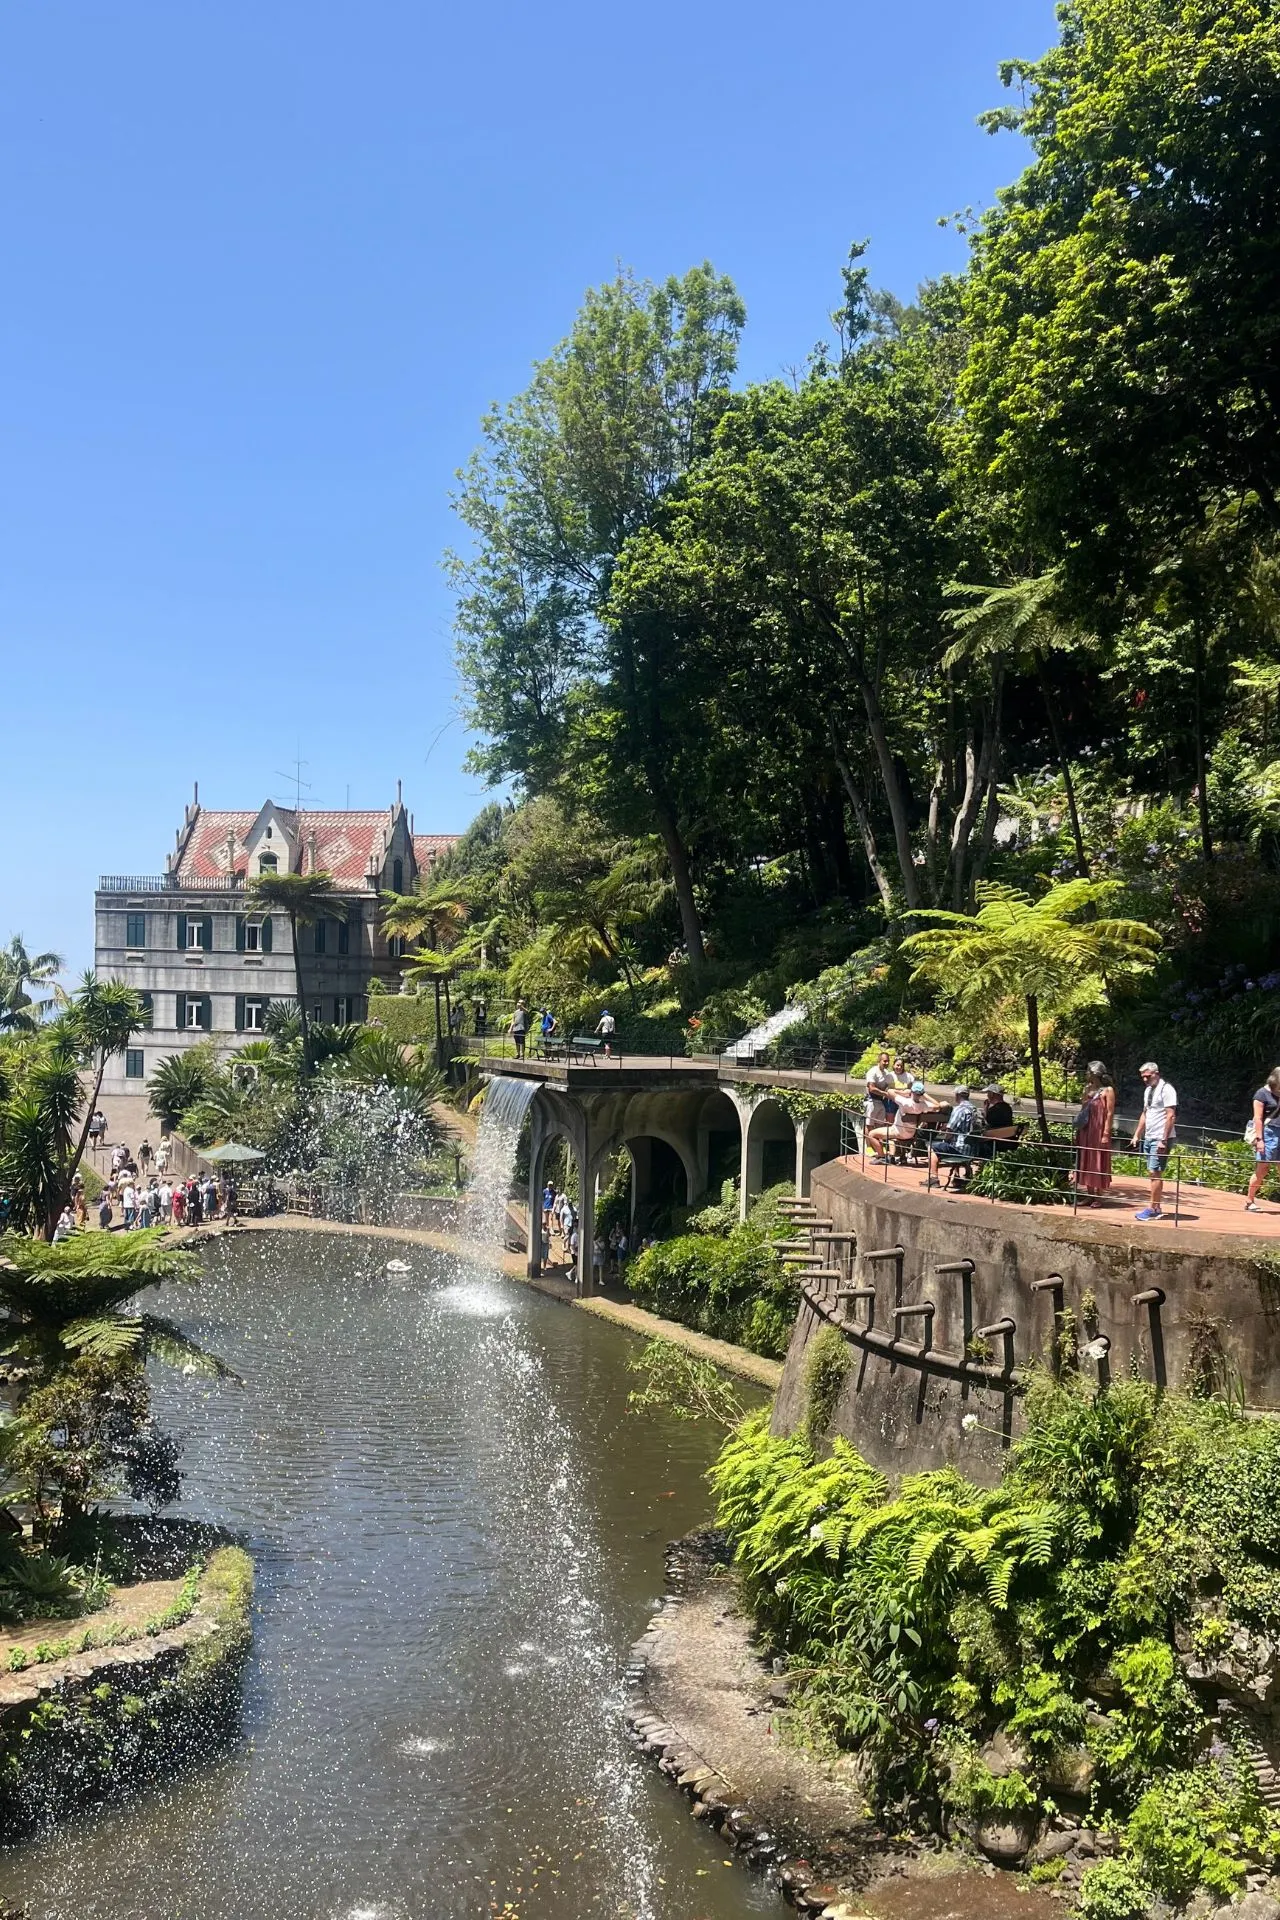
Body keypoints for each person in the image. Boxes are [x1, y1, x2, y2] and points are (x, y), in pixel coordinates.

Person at [1131, 1061, 1177, 1222]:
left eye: (1147, 1076)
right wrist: (1137, 1134)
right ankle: (1155, 1206)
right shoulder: (1148, 1090)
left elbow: (1171, 1115)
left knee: (1155, 1171)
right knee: (1152, 1172)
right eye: (1143, 1077)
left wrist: (1163, 1139)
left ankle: (1154, 1208)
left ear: (1156, 1073)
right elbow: (1145, 1113)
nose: (1145, 1079)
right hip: (1149, 1136)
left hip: (1160, 1137)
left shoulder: (1167, 1090)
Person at [1073, 1062, 1115, 1201]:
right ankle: (1089, 1194)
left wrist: (1106, 1133)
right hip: (1086, 1129)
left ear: (1094, 1073)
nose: (1086, 1074)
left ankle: (1098, 1196)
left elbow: (1109, 1113)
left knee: (1097, 1158)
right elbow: (1083, 1110)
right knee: (1086, 1158)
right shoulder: (1087, 1089)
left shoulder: (1108, 1091)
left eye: (1088, 1072)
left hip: (1099, 1130)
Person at [867, 1080, 931, 1161]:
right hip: (911, 1134)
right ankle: (893, 1156)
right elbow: (938, 1105)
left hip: (898, 1132)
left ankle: (881, 1156)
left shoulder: (904, 1102)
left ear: (912, 1092)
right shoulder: (924, 1105)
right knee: (890, 1133)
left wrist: (904, 1093)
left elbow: (890, 1091)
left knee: (872, 1134)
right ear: (921, 1094)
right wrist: (925, 1095)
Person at [929, 1087, 981, 1184]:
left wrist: (944, 1140)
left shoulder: (959, 1110)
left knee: (933, 1148)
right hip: (973, 1148)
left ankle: (934, 1179)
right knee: (950, 1145)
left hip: (959, 1149)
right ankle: (960, 1176)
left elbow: (949, 1131)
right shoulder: (974, 1109)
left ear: (957, 1095)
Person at [1246, 1067, 1280, 1212]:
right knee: (1262, 1169)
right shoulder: (1262, 1094)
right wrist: (1260, 1140)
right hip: (1268, 1133)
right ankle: (1249, 1200)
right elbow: (1258, 1119)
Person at [863, 1051, 897, 1133]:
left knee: (879, 1125)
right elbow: (872, 1088)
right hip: (871, 1100)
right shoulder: (873, 1072)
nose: (887, 1063)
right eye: (884, 1061)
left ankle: (878, 1144)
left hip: (881, 1101)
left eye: (888, 1061)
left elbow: (891, 1087)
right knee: (869, 1124)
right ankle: (868, 1145)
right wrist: (885, 1094)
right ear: (879, 1061)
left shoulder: (887, 1074)